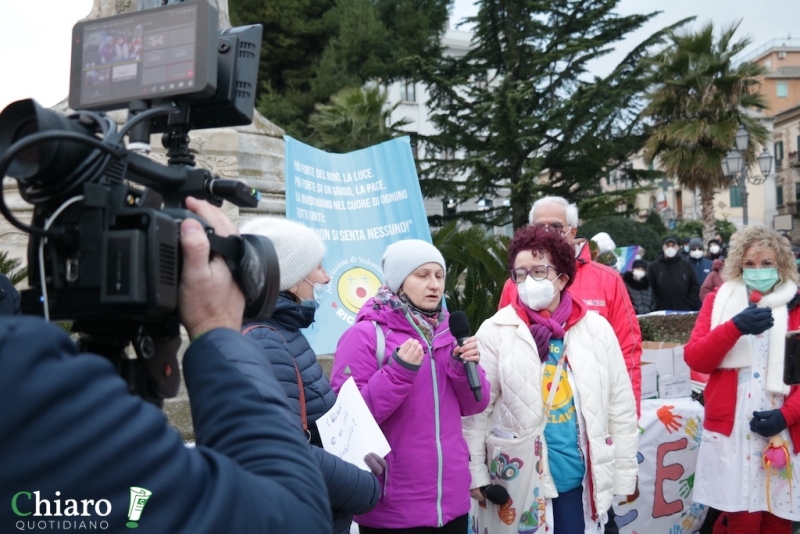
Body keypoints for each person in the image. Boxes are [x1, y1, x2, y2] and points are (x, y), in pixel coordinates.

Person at [0, 198, 332, 532]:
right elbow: (291, 518)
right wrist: (217, 328)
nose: (328, 277)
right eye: (318, 266)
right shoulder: (18, 373)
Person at [464, 225, 638, 534]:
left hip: (578, 483)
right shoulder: (495, 331)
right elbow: (476, 413)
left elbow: (619, 406)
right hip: (518, 483)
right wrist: (476, 473)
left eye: (539, 271)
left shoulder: (596, 330)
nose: (528, 281)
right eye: (520, 274)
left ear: (562, 277)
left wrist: (623, 473)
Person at [330, 239, 490, 533]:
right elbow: (350, 419)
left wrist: (462, 368)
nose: (434, 285)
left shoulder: (450, 334)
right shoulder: (365, 336)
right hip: (393, 509)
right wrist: (397, 373)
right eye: (422, 275)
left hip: (452, 504)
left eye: (439, 276)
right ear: (399, 282)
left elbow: (476, 405)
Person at [235, 217, 380, 534]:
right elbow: (282, 448)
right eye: (317, 267)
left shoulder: (282, 332)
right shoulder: (266, 340)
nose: (326, 277)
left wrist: (355, 455)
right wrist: (363, 487)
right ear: (287, 279)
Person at [684, 225, 800, 534]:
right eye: (749, 263)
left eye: (766, 263)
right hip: (733, 431)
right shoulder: (719, 302)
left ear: (782, 265)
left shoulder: (797, 308)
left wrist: (785, 416)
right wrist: (734, 327)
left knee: (778, 520)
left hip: (782, 430)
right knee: (742, 519)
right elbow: (696, 358)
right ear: (738, 264)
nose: (758, 270)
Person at [498, 197, 642, 415]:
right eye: (539, 227)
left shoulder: (608, 280)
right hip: (530, 412)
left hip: (594, 412)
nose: (547, 233)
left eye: (555, 226)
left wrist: (631, 414)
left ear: (572, 232)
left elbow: (628, 350)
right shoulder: (514, 285)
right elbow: (501, 348)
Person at [647, 235, 700, 311]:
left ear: (678, 247)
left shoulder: (686, 264)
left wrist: (689, 302)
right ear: (663, 247)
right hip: (661, 310)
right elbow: (650, 288)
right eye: (668, 246)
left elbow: (694, 285)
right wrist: (657, 304)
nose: (670, 248)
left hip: (683, 309)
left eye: (673, 245)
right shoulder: (654, 266)